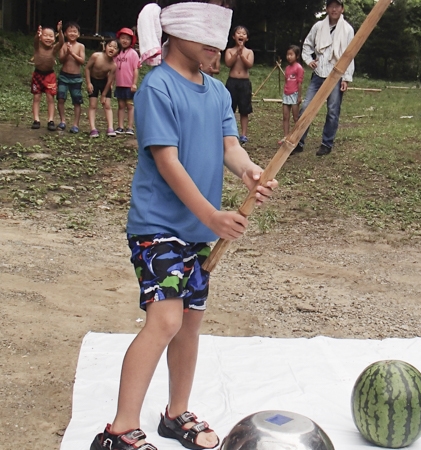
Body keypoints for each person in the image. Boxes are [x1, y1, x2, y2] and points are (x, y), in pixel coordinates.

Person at [90, 1, 277, 450]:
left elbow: (230, 146)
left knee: (190, 321)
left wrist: (249, 171)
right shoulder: (157, 89)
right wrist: (211, 215)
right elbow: (168, 162)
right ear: (182, 37)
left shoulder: (216, 93)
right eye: (211, 43)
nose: (219, 52)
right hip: (158, 226)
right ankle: (118, 431)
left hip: (194, 232)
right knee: (165, 319)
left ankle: (176, 415)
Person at [292, 0, 354, 156]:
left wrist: (346, 78)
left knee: (333, 110)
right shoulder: (319, 26)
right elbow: (307, 45)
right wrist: (309, 60)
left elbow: (350, 55)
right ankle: (298, 141)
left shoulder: (347, 29)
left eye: (337, 6)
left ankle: (327, 143)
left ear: (342, 8)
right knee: (307, 107)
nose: (334, 9)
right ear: (327, 8)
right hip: (319, 73)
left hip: (337, 74)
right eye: (331, 6)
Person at [224, 25, 254, 144]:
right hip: (232, 82)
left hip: (244, 83)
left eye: (244, 34)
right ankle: (230, 133)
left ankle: (244, 134)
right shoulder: (229, 51)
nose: (241, 35)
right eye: (238, 33)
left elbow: (249, 65)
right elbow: (228, 63)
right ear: (233, 36)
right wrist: (237, 53)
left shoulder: (249, 52)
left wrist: (242, 54)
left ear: (247, 38)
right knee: (230, 108)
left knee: (244, 110)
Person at [31, 22, 63, 131]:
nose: (48, 38)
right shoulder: (37, 47)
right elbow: (35, 40)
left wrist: (60, 31)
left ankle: (50, 120)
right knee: (36, 97)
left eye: (51, 36)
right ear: (40, 37)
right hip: (38, 74)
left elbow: (62, 42)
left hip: (50, 75)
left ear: (54, 38)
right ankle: (36, 120)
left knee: (50, 98)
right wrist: (37, 34)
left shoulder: (54, 49)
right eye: (45, 35)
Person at [85, 39, 119, 137]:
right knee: (93, 105)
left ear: (118, 52)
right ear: (105, 46)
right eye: (110, 46)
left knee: (107, 105)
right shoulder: (96, 56)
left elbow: (109, 81)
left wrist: (104, 95)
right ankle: (93, 128)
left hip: (105, 82)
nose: (112, 48)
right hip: (93, 81)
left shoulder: (113, 65)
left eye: (115, 48)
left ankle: (110, 128)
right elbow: (87, 68)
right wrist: (88, 83)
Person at [57, 22, 86, 133]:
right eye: (70, 31)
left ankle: (75, 124)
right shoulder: (63, 45)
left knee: (77, 101)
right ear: (65, 33)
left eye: (75, 31)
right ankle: (62, 121)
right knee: (61, 98)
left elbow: (82, 61)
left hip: (76, 77)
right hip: (64, 76)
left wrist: (72, 53)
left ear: (78, 34)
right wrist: (67, 53)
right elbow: (61, 60)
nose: (72, 33)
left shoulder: (80, 46)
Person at [114, 27, 140, 135]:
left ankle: (130, 127)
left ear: (131, 41)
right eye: (122, 38)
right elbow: (112, 68)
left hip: (129, 85)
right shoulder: (116, 53)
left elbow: (136, 69)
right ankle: (120, 126)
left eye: (127, 39)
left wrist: (134, 83)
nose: (124, 41)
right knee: (120, 105)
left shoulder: (133, 53)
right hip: (119, 84)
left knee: (130, 105)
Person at [280, 45, 304, 145]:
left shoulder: (299, 68)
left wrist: (299, 96)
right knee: (285, 116)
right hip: (286, 94)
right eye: (287, 54)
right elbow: (286, 80)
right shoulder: (287, 68)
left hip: (294, 94)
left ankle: (297, 137)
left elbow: (299, 83)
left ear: (297, 56)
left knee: (295, 117)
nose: (289, 57)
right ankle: (286, 136)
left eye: (291, 54)